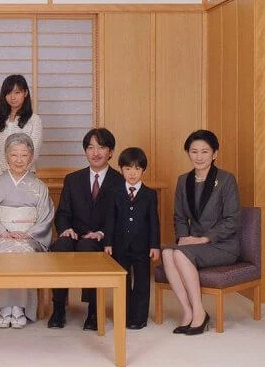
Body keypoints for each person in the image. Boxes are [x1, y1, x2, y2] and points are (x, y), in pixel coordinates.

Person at [162, 130, 241, 335]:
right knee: (167, 252)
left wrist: (204, 238)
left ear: (214, 154)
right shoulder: (183, 180)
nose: (199, 156)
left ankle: (200, 313)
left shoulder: (226, 180)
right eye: (194, 151)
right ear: (188, 153)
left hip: (222, 245)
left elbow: (233, 220)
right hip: (194, 243)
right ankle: (188, 312)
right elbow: (179, 217)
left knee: (178, 253)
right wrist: (183, 239)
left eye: (205, 151)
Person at [48, 128, 124, 330]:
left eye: (101, 147)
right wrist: (66, 229)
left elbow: (123, 218)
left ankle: (93, 311)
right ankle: (58, 308)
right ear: (85, 151)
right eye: (90, 147)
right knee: (61, 246)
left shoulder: (120, 181)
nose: (96, 152)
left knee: (88, 247)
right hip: (75, 234)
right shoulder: (73, 179)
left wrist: (103, 233)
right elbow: (62, 213)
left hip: (102, 239)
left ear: (111, 152)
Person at [0, 133, 54, 328]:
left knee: (23, 252)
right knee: (1, 251)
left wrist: (29, 233)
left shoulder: (39, 186)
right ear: (6, 156)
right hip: (1, 234)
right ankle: (4, 306)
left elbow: (46, 216)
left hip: (29, 235)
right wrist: (2, 231)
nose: (19, 160)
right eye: (14, 155)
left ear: (31, 157)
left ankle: (20, 307)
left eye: (24, 155)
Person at [103, 147, 160, 330]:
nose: (132, 173)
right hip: (120, 246)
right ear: (121, 169)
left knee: (142, 281)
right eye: (128, 168)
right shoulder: (115, 192)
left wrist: (154, 245)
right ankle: (125, 315)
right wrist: (108, 243)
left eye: (136, 168)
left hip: (142, 247)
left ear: (143, 170)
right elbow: (110, 219)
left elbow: (154, 222)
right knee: (123, 281)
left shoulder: (150, 194)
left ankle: (140, 317)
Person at [0, 74, 42, 178]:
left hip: (26, 176)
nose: (12, 97)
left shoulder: (34, 120)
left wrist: (16, 175)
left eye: (17, 92)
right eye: (9, 93)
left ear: (25, 93)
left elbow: (34, 152)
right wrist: (0, 177)